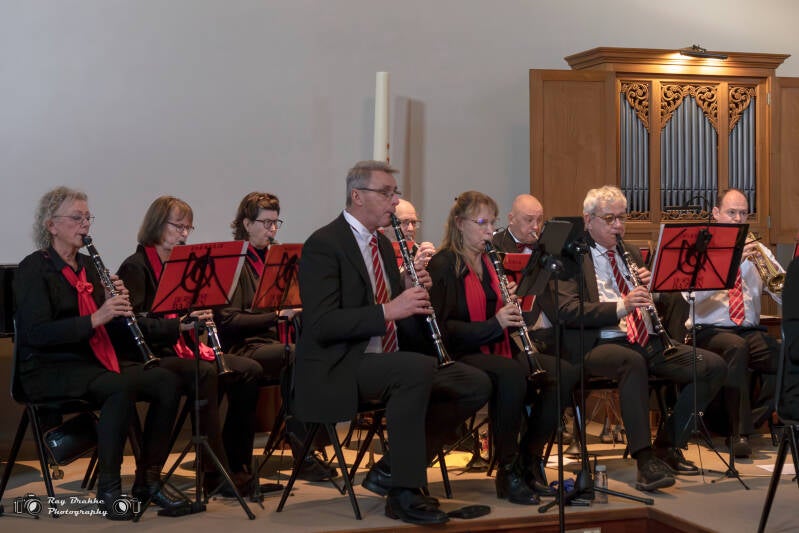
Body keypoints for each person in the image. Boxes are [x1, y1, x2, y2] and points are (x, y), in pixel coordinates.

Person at [293, 160, 490, 525]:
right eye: (385, 193)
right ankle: (404, 491)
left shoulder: (382, 246)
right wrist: (388, 309)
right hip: (339, 363)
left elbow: (396, 319)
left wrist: (415, 303)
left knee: (473, 382)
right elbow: (320, 325)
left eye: (394, 193)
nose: (394, 202)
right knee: (412, 369)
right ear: (357, 196)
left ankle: (389, 469)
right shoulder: (323, 244)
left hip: (384, 358)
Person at [13, 187, 186, 519]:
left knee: (166, 380)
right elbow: (36, 334)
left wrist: (121, 308)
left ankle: (148, 480)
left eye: (87, 218)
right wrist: (96, 316)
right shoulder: (34, 269)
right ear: (51, 225)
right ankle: (109, 490)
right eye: (76, 218)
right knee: (117, 388)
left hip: (90, 361)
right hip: (46, 368)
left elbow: (110, 326)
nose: (85, 225)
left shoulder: (91, 266)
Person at [557, 185, 727, 492]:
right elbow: (568, 311)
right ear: (588, 220)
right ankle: (644, 459)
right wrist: (622, 305)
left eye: (621, 218)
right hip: (599, 344)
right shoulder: (571, 257)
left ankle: (667, 444)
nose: (618, 225)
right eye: (609, 218)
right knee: (632, 361)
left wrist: (655, 290)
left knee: (712, 366)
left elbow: (653, 304)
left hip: (646, 339)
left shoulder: (632, 252)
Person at [428, 191, 579, 504]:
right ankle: (507, 470)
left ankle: (531, 458)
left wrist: (509, 300)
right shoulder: (444, 264)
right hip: (462, 352)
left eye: (492, 222)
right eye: (481, 222)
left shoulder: (489, 260)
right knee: (510, 374)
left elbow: (496, 312)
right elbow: (445, 330)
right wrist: (495, 323)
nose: (489, 230)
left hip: (496, 346)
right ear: (459, 224)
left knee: (563, 372)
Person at [117, 196, 263, 498]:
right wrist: (179, 326)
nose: (184, 234)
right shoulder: (136, 266)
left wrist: (197, 315)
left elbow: (184, 313)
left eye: (188, 228)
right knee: (205, 372)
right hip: (151, 356)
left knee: (250, 370)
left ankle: (238, 465)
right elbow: (132, 326)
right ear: (158, 224)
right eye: (178, 226)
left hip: (179, 350)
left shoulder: (182, 264)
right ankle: (213, 470)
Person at [215, 191, 335, 481]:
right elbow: (228, 320)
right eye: (266, 223)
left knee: (317, 354)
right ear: (246, 223)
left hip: (272, 344)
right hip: (244, 347)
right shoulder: (234, 261)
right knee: (297, 356)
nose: (272, 230)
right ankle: (303, 454)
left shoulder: (277, 260)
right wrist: (277, 316)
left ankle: (308, 449)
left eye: (275, 222)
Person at [683, 188, 783, 458]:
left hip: (748, 330)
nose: (739, 219)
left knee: (786, 356)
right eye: (732, 213)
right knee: (736, 347)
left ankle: (752, 418)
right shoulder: (699, 248)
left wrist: (778, 285)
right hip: (708, 330)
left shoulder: (757, 248)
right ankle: (738, 434)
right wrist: (733, 262)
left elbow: (781, 288)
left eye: (743, 213)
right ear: (716, 214)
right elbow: (690, 294)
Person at [382, 198, 435, 269]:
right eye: (404, 222)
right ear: (385, 224)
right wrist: (414, 267)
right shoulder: (375, 253)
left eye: (413, 222)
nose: (411, 228)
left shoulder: (421, 254)